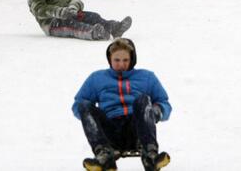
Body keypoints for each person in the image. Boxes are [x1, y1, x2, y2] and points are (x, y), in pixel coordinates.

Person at [73, 38, 171, 171]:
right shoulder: (97, 78)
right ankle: (105, 156)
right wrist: (88, 117)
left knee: (142, 99)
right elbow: (78, 104)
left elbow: (164, 103)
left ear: (132, 59)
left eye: (125, 60)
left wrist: (154, 112)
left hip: (137, 129)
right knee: (84, 104)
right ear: (110, 59)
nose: (121, 64)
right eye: (117, 60)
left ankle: (150, 155)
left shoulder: (147, 77)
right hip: (110, 130)